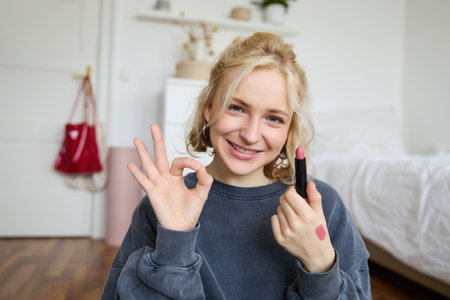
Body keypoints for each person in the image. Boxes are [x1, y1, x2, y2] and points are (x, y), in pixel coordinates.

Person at [102, 32, 371, 299]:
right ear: (209, 109)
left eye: (274, 118)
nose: (251, 135)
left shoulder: (324, 208)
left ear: (290, 129)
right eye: (237, 108)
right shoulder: (164, 205)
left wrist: (321, 264)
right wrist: (175, 245)